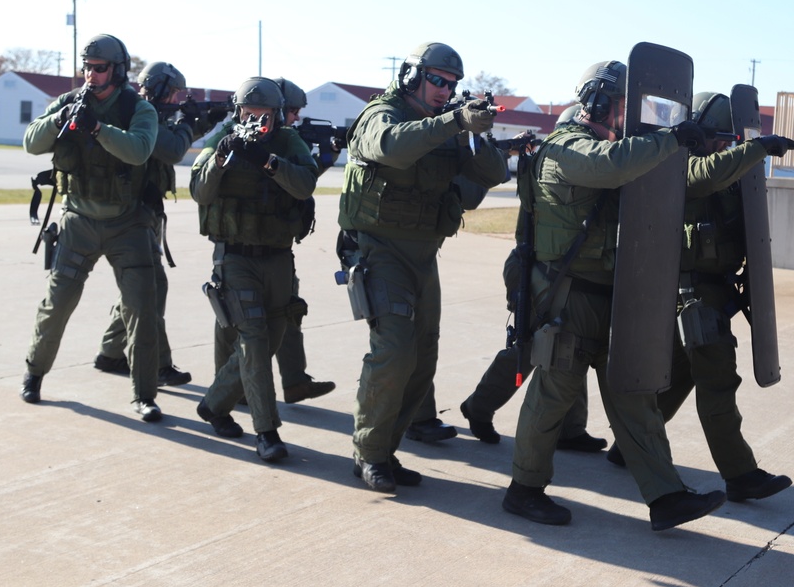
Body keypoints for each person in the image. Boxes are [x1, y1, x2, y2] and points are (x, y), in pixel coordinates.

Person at [502, 59, 727, 530]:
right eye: (625, 104)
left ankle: (666, 497)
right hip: (568, 295)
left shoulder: (621, 148)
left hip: (610, 294)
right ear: (599, 102)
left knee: (634, 391)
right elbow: (607, 166)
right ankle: (524, 490)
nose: (631, 116)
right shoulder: (568, 148)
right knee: (553, 392)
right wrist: (669, 139)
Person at [605, 91, 793, 504]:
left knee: (679, 377)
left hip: (714, 290)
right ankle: (741, 474)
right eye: (718, 136)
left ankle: (629, 445)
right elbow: (701, 176)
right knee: (719, 383)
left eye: (730, 138)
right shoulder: (678, 163)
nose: (725, 144)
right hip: (692, 297)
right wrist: (755, 149)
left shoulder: (728, 167)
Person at [339, 42, 508, 492]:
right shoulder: (383, 112)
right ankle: (369, 454)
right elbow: (390, 147)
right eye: (437, 80)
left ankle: (386, 453)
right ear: (413, 75)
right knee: (393, 350)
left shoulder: (450, 123)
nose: (444, 89)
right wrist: (454, 120)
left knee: (421, 359)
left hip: (423, 254)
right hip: (379, 249)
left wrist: (475, 130)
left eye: (451, 84)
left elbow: (492, 174)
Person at [18, 33, 161, 421]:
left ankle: (144, 395)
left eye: (98, 69)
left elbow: (139, 150)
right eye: (86, 68)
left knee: (141, 310)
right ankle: (34, 373)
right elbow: (31, 142)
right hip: (78, 220)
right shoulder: (69, 101)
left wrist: (97, 128)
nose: (90, 75)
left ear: (117, 70)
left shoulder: (138, 108)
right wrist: (61, 119)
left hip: (127, 223)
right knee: (57, 302)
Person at [461, 103, 606, 450]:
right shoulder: (554, 166)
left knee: (573, 350)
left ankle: (569, 429)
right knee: (528, 348)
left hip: (558, 272)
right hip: (535, 271)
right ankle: (478, 406)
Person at [190, 76, 318, 462]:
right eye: (249, 114)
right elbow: (199, 190)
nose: (256, 121)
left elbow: (305, 184)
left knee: (274, 335)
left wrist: (268, 161)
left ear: (277, 115)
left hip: (278, 256)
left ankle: (212, 405)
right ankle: (267, 431)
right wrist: (221, 158)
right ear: (237, 112)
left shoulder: (287, 142)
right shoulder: (223, 137)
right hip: (235, 257)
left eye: (265, 115)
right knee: (254, 340)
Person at [210, 77, 337, 405]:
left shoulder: (287, 140)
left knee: (286, 313)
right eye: (293, 111)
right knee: (232, 316)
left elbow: (295, 184)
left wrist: (322, 162)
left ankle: (293, 380)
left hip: (275, 245)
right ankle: (226, 388)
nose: (296, 118)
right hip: (237, 242)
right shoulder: (237, 135)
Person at [93, 61, 214, 388]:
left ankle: (111, 352)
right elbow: (173, 148)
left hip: (143, 212)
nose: (176, 99)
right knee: (152, 287)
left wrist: (202, 124)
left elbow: (170, 142)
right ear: (160, 88)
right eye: (174, 93)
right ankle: (158, 364)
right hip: (131, 216)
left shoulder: (151, 113)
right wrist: (190, 124)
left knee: (139, 290)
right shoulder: (140, 112)